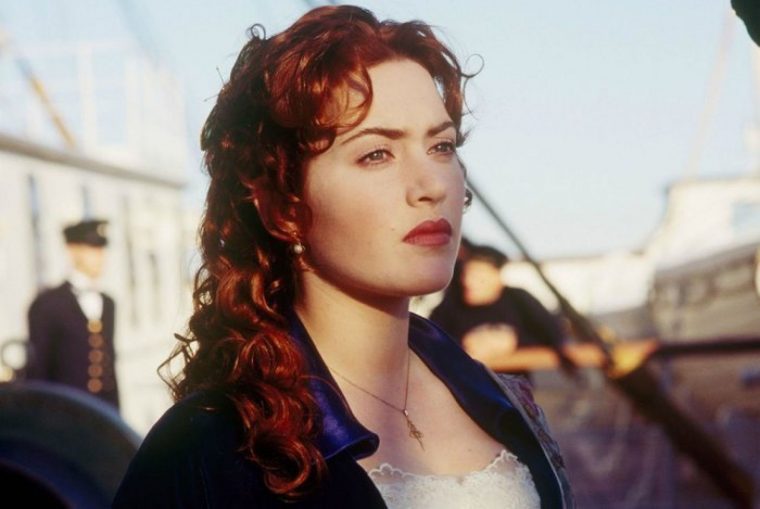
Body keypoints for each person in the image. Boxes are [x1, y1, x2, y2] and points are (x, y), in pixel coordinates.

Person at [114, 6, 573, 508]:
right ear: (282, 206)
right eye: (376, 154)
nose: (431, 186)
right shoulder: (206, 450)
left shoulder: (501, 400)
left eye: (441, 146)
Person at [430, 243, 570, 380]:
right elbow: (430, 340)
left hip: (512, 388)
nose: (468, 282)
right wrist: (464, 345)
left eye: (479, 276)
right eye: (466, 274)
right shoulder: (452, 304)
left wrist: (513, 340)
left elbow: (553, 333)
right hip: (464, 386)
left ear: (497, 276)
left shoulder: (518, 299)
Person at [26, 219, 119, 410]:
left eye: (101, 250)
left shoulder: (108, 303)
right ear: (73, 250)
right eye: (92, 249)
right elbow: (39, 372)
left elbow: (109, 367)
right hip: (66, 415)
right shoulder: (47, 304)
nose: (100, 257)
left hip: (105, 413)